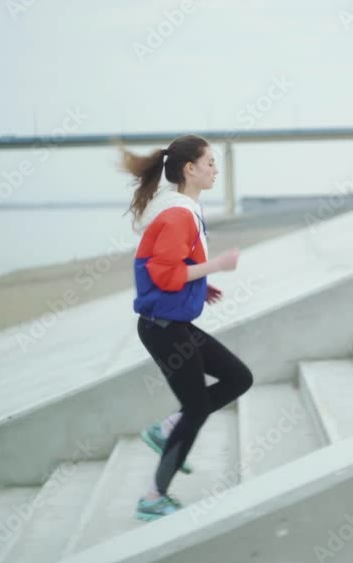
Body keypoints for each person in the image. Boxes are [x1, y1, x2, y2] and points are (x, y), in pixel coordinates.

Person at [120, 134, 253, 521]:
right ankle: (153, 498)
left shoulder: (182, 208)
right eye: (210, 162)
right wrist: (216, 266)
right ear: (189, 169)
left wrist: (198, 284)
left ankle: (169, 428)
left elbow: (166, 268)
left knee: (238, 377)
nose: (216, 168)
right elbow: (164, 274)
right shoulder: (179, 213)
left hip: (173, 323)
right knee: (196, 407)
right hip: (164, 329)